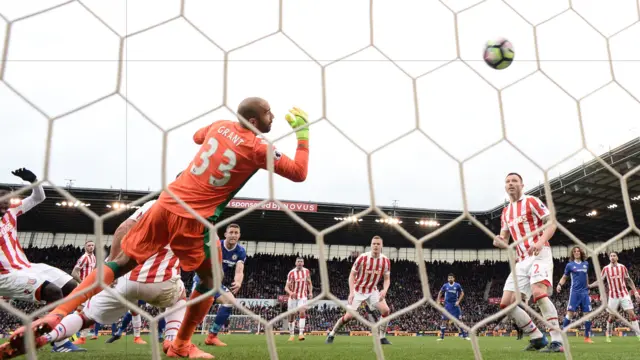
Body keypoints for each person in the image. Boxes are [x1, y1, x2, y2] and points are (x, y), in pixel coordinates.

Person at [9, 99, 311, 359]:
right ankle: (179, 343)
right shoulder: (259, 147)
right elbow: (299, 173)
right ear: (255, 119)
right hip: (193, 218)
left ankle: (57, 316)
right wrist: (302, 134)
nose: (273, 116)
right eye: (269, 112)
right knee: (209, 281)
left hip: (165, 203)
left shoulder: (220, 125)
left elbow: (197, 136)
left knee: (120, 263)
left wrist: (220, 135)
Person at [0, 199, 188, 358]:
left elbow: (124, 227)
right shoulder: (194, 214)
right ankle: (172, 341)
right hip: (158, 279)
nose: (90, 247)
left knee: (85, 317)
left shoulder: (154, 203)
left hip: (118, 275)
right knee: (180, 298)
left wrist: (113, 266)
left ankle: (46, 338)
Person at [0, 168, 84, 353]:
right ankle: (59, 344)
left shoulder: (12, 211)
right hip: (5, 275)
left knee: (72, 287)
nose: (5, 208)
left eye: (7, 204)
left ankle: (44, 333)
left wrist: (34, 181)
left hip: (27, 266)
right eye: (2, 204)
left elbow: (38, 198)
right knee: (53, 292)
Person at [493, 172, 563, 352]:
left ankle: (557, 340)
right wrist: (499, 241)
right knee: (506, 304)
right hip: (521, 260)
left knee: (538, 292)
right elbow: (504, 238)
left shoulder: (531, 201)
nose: (511, 184)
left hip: (540, 253)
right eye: (507, 181)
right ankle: (537, 338)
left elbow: (551, 223)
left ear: (522, 185)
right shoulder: (506, 212)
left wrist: (539, 242)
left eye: (514, 181)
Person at [326, 236, 392, 345]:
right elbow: (352, 275)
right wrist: (351, 292)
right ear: (371, 245)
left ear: (382, 246)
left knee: (386, 310)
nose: (376, 246)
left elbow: (387, 279)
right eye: (374, 243)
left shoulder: (385, 261)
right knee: (349, 317)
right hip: (358, 290)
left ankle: (382, 338)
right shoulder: (362, 258)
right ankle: (332, 334)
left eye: (378, 244)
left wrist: (385, 290)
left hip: (372, 290)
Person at [191, 223, 247, 346]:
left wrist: (238, 281)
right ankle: (179, 336)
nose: (233, 235)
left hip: (216, 283)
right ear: (225, 234)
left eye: (236, 233)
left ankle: (212, 336)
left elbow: (239, 270)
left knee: (230, 301)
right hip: (202, 279)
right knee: (193, 311)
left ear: (239, 236)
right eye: (231, 232)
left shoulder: (241, 251)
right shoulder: (217, 245)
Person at [588, 251, 640, 342]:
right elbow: (600, 281)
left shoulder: (622, 267)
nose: (612, 257)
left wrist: (635, 292)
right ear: (609, 258)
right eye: (611, 256)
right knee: (611, 317)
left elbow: (629, 280)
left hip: (624, 294)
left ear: (617, 258)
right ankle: (608, 334)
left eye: (614, 256)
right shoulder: (606, 269)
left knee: (632, 314)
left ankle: (638, 334)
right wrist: (590, 285)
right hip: (613, 296)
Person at [556, 246, 593, 343]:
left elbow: (586, 275)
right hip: (575, 293)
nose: (576, 252)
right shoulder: (570, 265)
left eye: (578, 251)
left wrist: (588, 285)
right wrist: (559, 285)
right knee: (570, 314)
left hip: (584, 293)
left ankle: (587, 337)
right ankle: (563, 335)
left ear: (581, 253)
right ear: (573, 254)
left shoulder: (586, 264)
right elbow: (564, 277)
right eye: (574, 251)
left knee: (587, 315)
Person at [70, 241, 97, 345]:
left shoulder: (93, 257)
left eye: (92, 245)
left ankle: (81, 337)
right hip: (84, 288)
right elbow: (73, 273)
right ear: (85, 247)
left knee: (85, 310)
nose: (91, 247)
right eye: (89, 245)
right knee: (83, 311)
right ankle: (70, 332)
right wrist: (83, 283)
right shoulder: (84, 258)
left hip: (90, 287)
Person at [285, 257, 312, 341]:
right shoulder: (291, 273)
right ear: (295, 263)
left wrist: (310, 292)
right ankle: (292, 335)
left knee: (302, 312)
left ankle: (301, 333)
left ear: (303, 263)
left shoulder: (306, 271)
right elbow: (286, 287)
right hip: (293, 298)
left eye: (301, 261)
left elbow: (309, 283)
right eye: (298, 261)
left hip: (303, 296)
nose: (300, 263)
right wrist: (290, 293)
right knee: (291, 316)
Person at [436, 273, 469, 341]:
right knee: (444, 321)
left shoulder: (457, 285)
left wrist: (458, 301)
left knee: (460, 321)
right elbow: (440, 292)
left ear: (454, 278)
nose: (450, 279)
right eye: (449, 278)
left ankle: (464, 336)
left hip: (455, 305)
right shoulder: (445, 285)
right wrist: (438, 300)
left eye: (451, 278)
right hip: (447, 306)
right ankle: (441, 337)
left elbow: (462, 293)